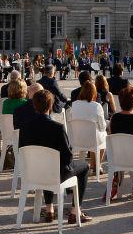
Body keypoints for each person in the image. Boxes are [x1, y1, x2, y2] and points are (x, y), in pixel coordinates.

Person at [18, 89, 92, 223]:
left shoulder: (24, 127)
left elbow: (21, 151)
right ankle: (75, 211)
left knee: (47, 164)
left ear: (34, 105)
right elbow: (68, 158)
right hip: (55, 174)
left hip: (33, 173)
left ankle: (49, 209)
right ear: (51, 105)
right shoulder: (57, 128)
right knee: (84, 167)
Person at [70, 79, 107, 169]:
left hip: (77, 138)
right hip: (92, 139)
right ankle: (97, 166)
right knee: (102, 136)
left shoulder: (74, 104)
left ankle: (93, 165)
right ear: (94, 92)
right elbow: (102, 127)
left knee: (96, 135)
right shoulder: (97, 106)